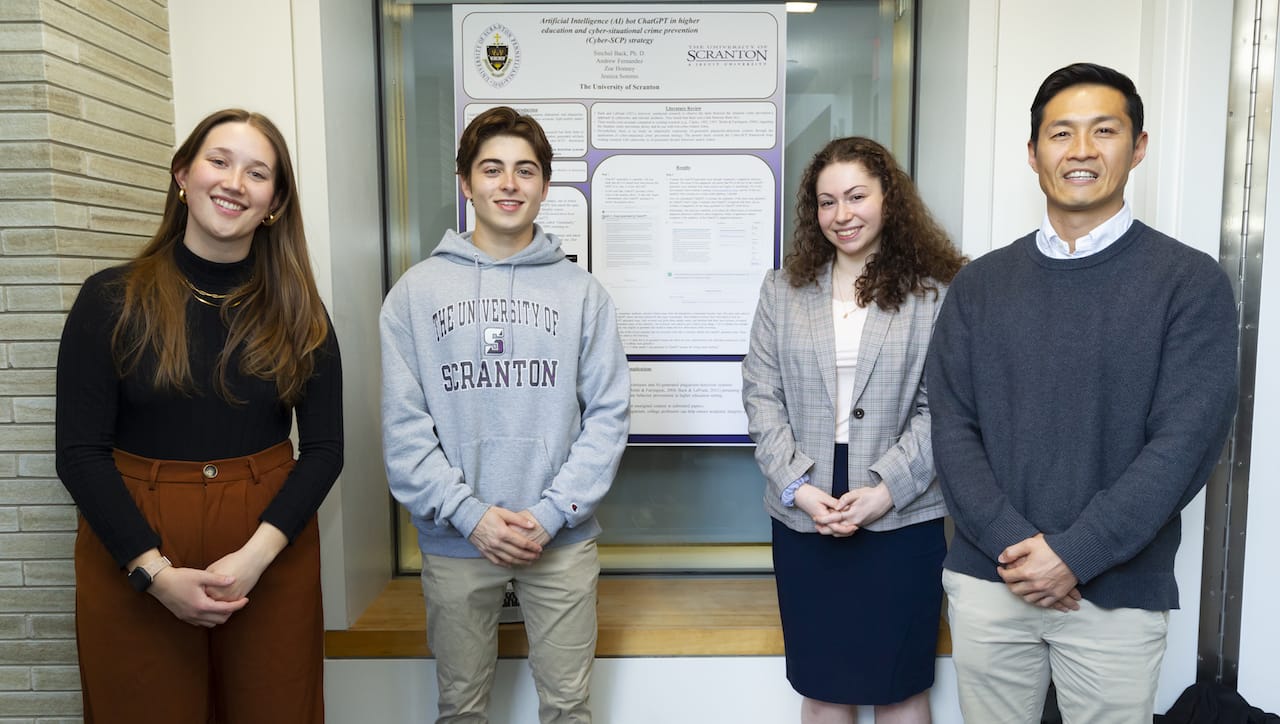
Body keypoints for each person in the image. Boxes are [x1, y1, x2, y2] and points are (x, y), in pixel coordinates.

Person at [927, 62, 1238, 724]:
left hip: (1116, 593)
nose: (1081, 151)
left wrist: (1075, 554)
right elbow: (952, 427)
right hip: (993, 582)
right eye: (1061, 133)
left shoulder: (1189, 283)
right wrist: (1019, 549)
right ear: (1034, 152)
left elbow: (1183, 446)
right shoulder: (979, 285)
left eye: (1105, 131)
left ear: (1139, 146)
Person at [55, 109, 343, 722]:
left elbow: (325, 450)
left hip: (268, 546)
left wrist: (255, 558)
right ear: (182, 173)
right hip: (136, 544)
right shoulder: (110, 298)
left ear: (274, 202)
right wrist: (154, 575)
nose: (234, 181)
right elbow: (79, 453)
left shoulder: (299, 311)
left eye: (258, 172)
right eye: (219, 160)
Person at [380, 106, 629, 724]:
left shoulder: (583, 295)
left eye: (525, 170)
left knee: (569, 709)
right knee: (460, 710)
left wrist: (550, 516)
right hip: (455, 541)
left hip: (561, 542)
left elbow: (607, 417)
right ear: (466, 183)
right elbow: (404, 429)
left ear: (545, 185)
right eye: (492, 170)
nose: (509, 184)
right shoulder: (415, 293)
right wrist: (470, 516)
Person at [741, 136, 964, 723]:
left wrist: (886, 490)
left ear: (888, 197)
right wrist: (798, 487)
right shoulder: (781, 290)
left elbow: (942, 408)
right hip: (805, 506)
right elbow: (761, 397)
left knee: (902, 687)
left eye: (857, 196)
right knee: (824, 686)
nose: (842, 215)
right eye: (827, 202)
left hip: (902, 507)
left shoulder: (935, 292)